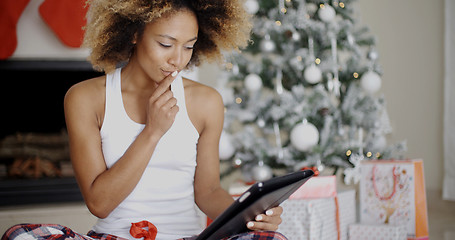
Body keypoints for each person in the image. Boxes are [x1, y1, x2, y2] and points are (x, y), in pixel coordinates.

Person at [2, 0, 287, 240]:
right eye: (166, 43)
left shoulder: (206, 102)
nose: (178, 59)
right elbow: (99, 203)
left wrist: (250, 214)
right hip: (113, 236)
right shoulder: (85, 98)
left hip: (187, 237)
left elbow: (208, 191)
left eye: (189, 46)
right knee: (21, 236)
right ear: (135, 33)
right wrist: (152, 132)